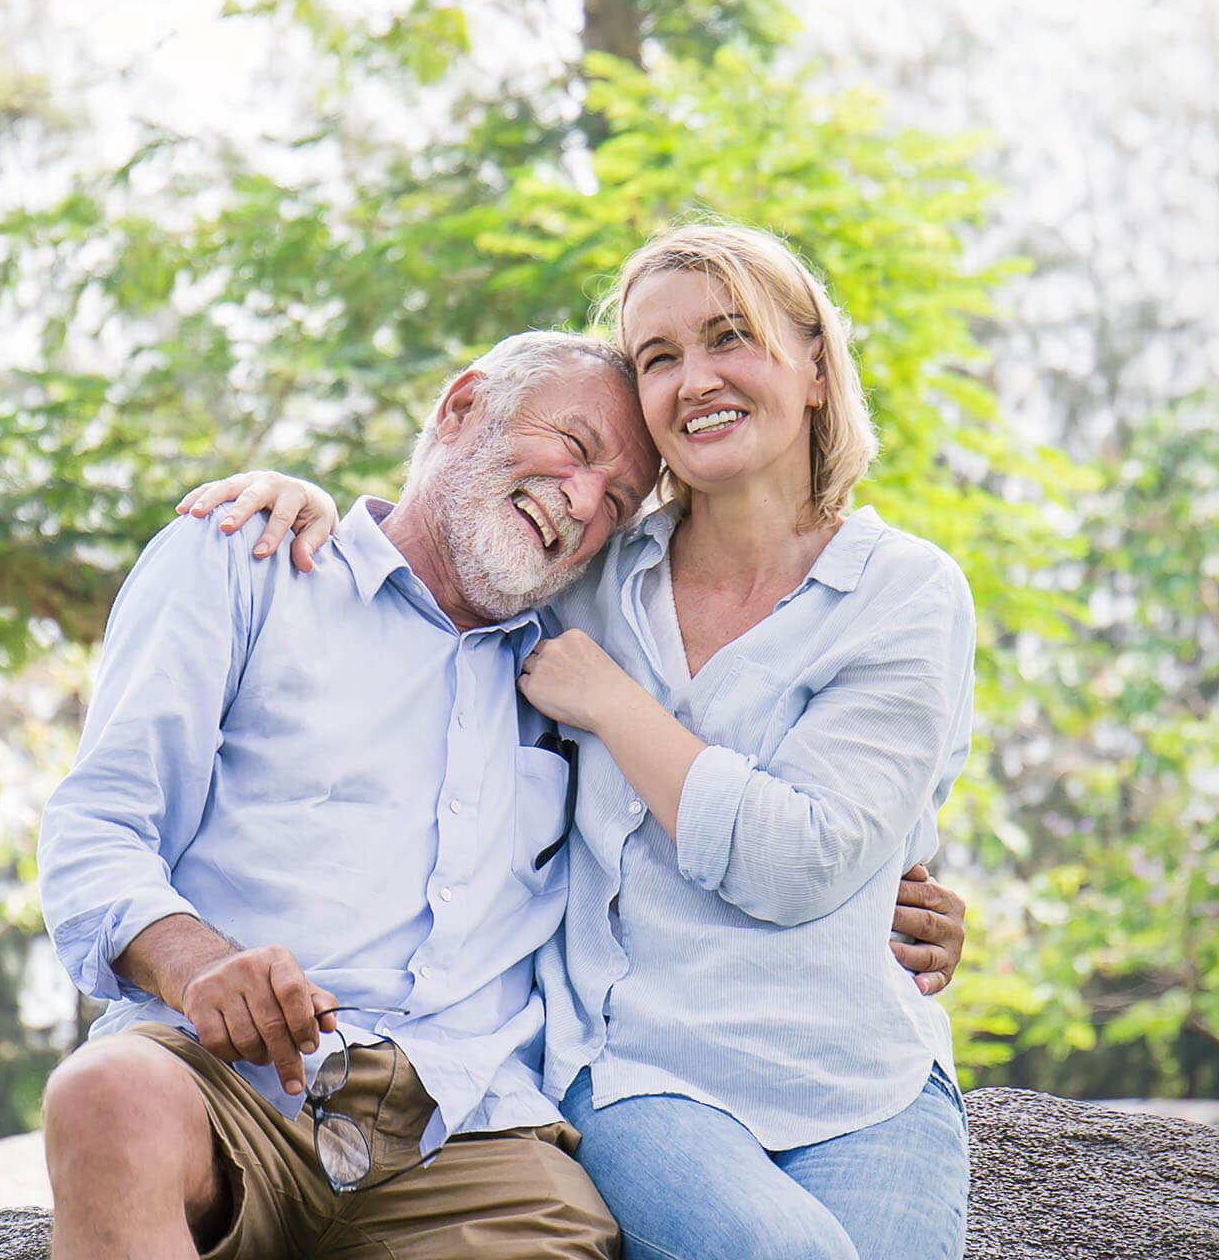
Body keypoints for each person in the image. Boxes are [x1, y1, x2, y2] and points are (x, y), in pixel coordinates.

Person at [182, 222, 976, 1259]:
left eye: (729, 336)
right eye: (658, 357)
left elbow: (807, 859)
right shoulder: (583, 571)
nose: (694, 378)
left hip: (867, 1077)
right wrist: (315, 501)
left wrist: (614, 704)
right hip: (640, 1072)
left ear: (817, 365)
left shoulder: (906, 593)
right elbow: (435, 561)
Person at [37, 331, 654, 1260]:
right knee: (102, 1095)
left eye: (617, 502)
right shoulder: (246, 561)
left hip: (465, 1128)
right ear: (459, 408)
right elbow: (98, 825)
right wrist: (198, 964)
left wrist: (876, 884)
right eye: (574, 445)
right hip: (224, 1086)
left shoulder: (585, 661)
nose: (582, 502)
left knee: (567, 1231)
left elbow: (739, 776)